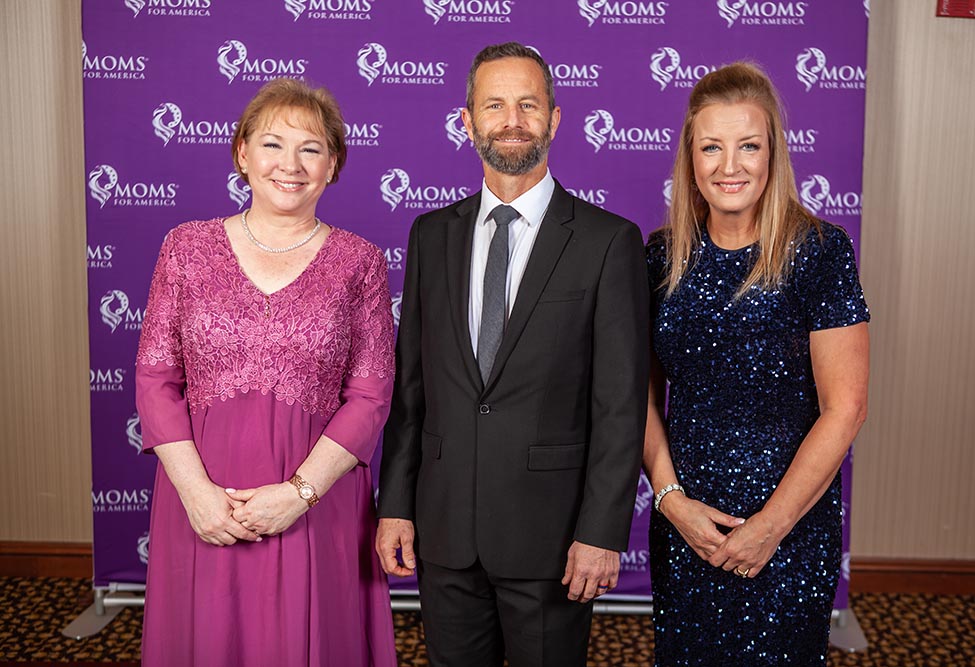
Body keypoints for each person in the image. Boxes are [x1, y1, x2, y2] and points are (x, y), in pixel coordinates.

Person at [375, 42, 648, 667]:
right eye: (494, 105)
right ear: (467, 121)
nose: (512, 120)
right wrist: (395, 506)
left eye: (529, 104)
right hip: (444, 530)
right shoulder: (430, 235)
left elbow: (619, 405)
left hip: (553, 539)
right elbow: (411, 391)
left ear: (555, 118)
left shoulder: (608, 242)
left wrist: (601, 532)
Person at [135, 78, 397, 667]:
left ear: (333, 165)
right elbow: (155, 380)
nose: (290, 165)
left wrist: (298, 495)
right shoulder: (185, 248)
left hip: (316, 505)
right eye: (273, 144)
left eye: (311, 148)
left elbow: (371, 395)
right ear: (242, 154)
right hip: (203, 502)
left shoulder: (359, 262)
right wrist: (198, 495)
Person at [643, 62, 870, 666]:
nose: (730, 166)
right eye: (711, 147)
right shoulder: (661, 256)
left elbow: (846, 409)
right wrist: (671, 501)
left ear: (773, 153)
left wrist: (770, 526)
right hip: (687, 527)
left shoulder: (819, 252)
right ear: (690, 157)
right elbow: (637, 397)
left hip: (789, 531)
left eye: (748, 145)